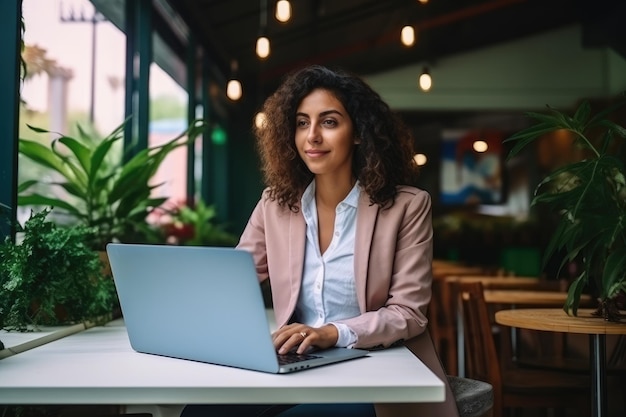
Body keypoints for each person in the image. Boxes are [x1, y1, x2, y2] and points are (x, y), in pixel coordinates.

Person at [182, 65, 459, 417]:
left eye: (329, 122)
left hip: (378, 367)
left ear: (358, 132)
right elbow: (236, 280)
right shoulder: (275, 204)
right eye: (301, 122)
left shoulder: (407, 206)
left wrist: (333, 332)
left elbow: (408, 314)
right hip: (300, 363)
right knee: (200, 414)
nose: (312, 136)